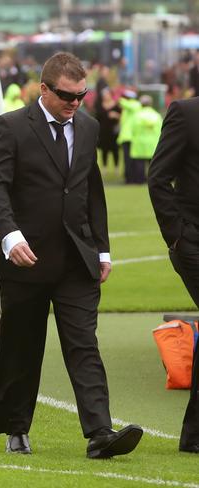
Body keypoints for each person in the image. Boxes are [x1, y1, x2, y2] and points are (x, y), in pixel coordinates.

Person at [0, 52, 143, 458]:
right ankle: (16, 428)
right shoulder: (12, 126)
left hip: (77, 259)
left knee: (83, 343)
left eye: (81, 96)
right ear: (43, 89)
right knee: (23, 344)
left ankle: (100, 433)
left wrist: (102, 249)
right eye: (66, 96)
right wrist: (9, 237)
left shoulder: (87, 128)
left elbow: (91, 192)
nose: (74, 103)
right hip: (25, 258)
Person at [148, 96, 199, 454]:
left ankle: (193, 436)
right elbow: (158, 177)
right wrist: (178, 235)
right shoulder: (186, 113)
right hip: (193, 239)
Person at [128, 95, 162, 184]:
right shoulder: (156, 115)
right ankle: (153, 181)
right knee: (153, 165)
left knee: (139, 164)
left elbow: (132, 129)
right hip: (153, 143)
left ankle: (140, 181)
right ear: (151, 103)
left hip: (139, 143)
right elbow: (161, 129)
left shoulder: (136, 115)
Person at [95, 87, 121, 174]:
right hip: (103, 132)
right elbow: (96, 118)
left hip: (114, 132)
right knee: (104, 150)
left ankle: (116, 168)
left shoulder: (116, 105)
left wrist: (116, 115)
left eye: (107, 94)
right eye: (104, 95)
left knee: (115, 150)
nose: (106, 96)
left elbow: (122, 118)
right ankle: (105, 168)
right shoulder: (99, 106)